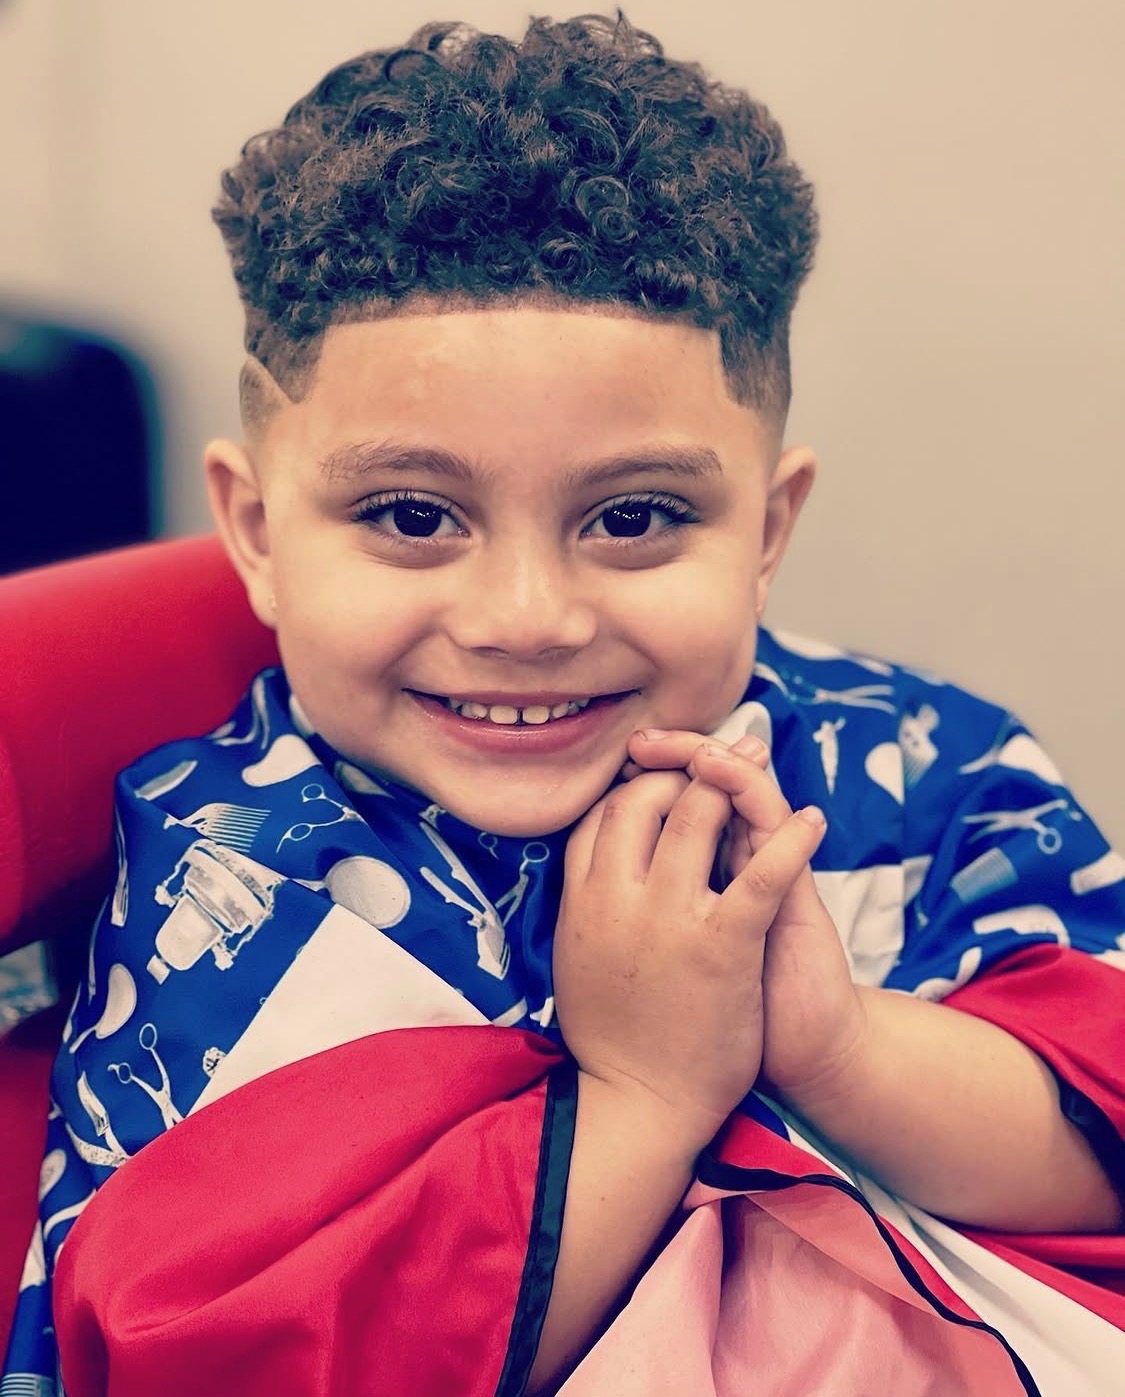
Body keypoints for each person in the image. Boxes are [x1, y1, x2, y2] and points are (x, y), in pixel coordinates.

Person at [4, 13, 1124, 1396]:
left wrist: (834, 1046)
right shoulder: (229, 875)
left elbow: (1101, 1153)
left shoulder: (924, 771)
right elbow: (228, 1354)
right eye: (412, 514)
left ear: (766, 528)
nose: (525, 616)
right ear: (253, 530)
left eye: (635, 517)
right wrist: (642, 1100)